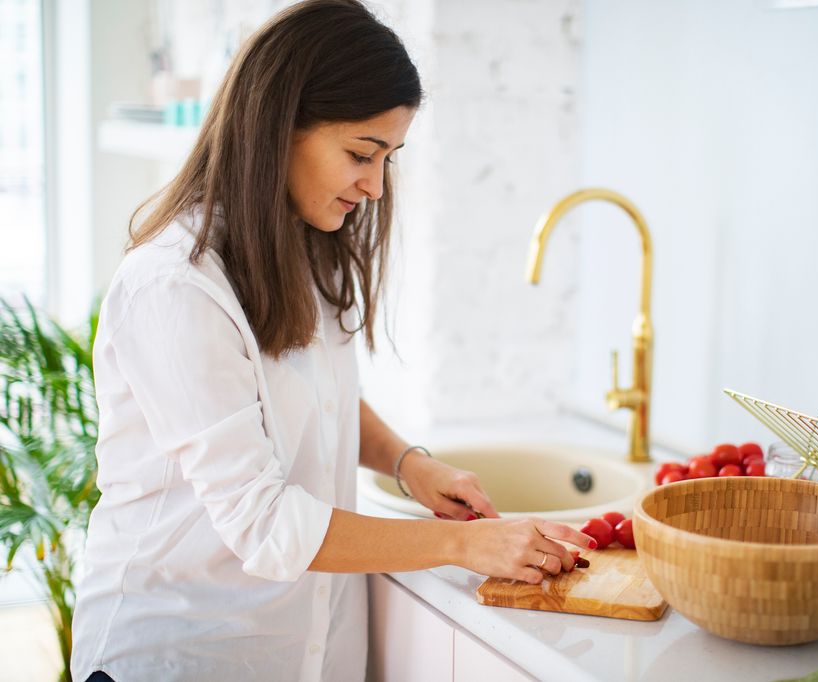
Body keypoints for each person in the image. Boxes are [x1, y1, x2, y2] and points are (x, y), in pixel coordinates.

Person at [69, 2, 594, 680]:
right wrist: (466, 546)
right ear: (278, 127)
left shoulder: (304, 246)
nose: (375, 186)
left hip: (300, 649)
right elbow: (262, 524)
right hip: (182, 653)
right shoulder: (173, 289)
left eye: (388, 158)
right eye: (360, 154)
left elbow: (325, 399)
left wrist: (409, 464)